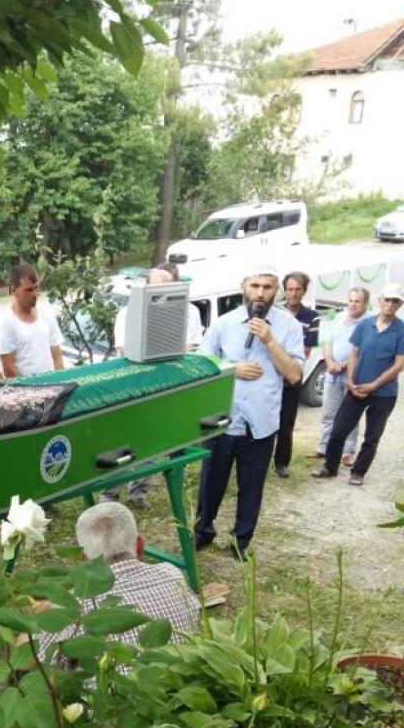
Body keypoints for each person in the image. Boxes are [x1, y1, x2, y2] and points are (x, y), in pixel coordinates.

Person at [195, 265, 304, 559]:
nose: (260, 292)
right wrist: (231, 369)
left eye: (268, 287)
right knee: (211, 483)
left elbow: (294, 376)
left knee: (251, 486)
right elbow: (202, 366)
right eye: (255, 285)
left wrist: (269, 340)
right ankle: (202, 531)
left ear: (276, 291)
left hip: (261, 422)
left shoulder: (289, 327)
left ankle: (240, 541)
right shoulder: (224, 323)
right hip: (223, 419)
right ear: (243, 286)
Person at [38, 502, 199, 660]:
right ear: (140, 545)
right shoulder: (172, 574)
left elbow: (34, 660)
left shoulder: (72, 607)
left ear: (85, 559)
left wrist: (36, 618)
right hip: (183, 680)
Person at [104, 263, 203, 509]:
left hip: (167, 386)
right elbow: (125, 350)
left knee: (152, 439)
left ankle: (139, 491)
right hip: (132, 386)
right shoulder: (128, 313)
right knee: (122, 441)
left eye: (167, 287)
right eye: (155, 288)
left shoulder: (189, 312)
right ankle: (110, 494)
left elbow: (191, 347)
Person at [312, 283, 404, 488]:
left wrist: (374, 385)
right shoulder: (365, 324)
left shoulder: (401, 330)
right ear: (380, 301)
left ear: (400, 304)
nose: (390, 304)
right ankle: (330, 466)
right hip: (357, 388)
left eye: (395, 301)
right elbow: (354, 354)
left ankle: (358, 472)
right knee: (338, 429)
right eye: (387, 299)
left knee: (372, 435)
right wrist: (352, 382)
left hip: (384, 393)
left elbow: (399, 364)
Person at [309, 288, 369, 465]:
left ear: (365, 303)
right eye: (350, 300)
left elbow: (363, 350)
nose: (353, 304)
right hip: (332, 374)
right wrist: (329, 362)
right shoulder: (340, 317)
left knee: (350, 415)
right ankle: (323, 447)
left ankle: (347, 451)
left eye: (357, 301)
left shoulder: (368, 322)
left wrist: (342, 365)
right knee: (328, 413)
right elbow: (329, 342)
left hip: (352, 376)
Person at [273, 271, 319, 478]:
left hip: (291, 378)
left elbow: (305, 351)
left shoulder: (311, 317)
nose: (293, 293)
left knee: (286, 423)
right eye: (289, 289)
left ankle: (282, 463)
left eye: (297, 289)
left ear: (304, 291)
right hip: (271, 376)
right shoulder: (273, 312)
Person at [0, 262, 64, 377]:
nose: (35, 294)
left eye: (36, 288)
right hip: (25, 391)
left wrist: (60, 383)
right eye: (28, 290)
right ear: (13, 290)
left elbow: (57, 357)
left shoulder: (46, 313)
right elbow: (8, 368)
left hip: (54, 387)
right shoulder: (5, 322)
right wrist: (31, 391)